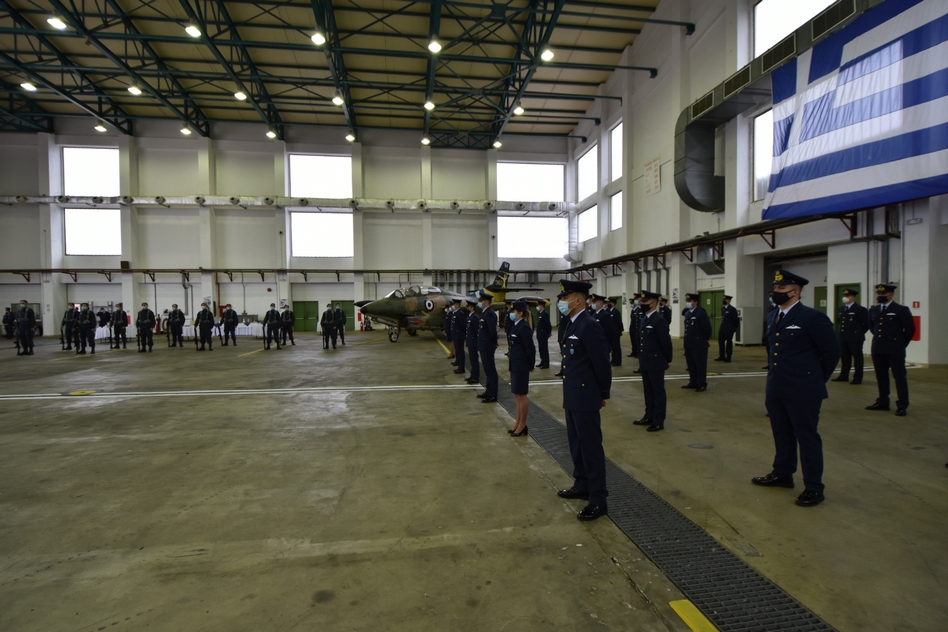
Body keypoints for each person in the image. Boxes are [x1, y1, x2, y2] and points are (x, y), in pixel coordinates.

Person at [752, 269, 840, 507]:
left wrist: (814, 380)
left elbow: (831, 353)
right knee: (781, 433)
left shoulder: (812, 317)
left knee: (807, 437)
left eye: (781, 288)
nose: (776, 292)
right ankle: (782, 473)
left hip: (803, 389)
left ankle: (814, 487)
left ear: (796, 291)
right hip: (777, 386)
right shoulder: (773, 316)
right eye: (775, 288)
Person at [554, 279, 612, 522]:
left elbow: (601, 362)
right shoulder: (572, 323)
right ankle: (582, 484)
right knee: (576, 443)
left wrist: (603, 392)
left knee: (590, 447)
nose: (562, 302)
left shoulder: (589, 325)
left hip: (586, 394)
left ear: (578, 300)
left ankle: (598, 499)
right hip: (573, 393)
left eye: (565, 298)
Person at [866, 283, 916, 416]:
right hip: (878, 348)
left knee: (899, 377)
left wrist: (900, 344)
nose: (881, 296)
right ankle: (883, 401)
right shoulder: (873, 310)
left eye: (884, 294)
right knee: (881, 377)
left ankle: (902, 405)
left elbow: (910, 329)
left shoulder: (900, 310)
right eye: (879, 294)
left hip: (895, 349)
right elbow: (872, 327)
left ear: (891, 294)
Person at [632, 291, 673, 432]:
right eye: (641, 302)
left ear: (653, 304)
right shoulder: (644, 318)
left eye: (644, 302)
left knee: (658, 392)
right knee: (648, 391)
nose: (641, 304)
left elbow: (666, 343)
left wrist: (668, 359)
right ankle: (648, 416)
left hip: (656, 361)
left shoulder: (659, 320)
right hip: (645, 361)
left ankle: (658, 420)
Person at [507, 301, 536, 436]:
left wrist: (531, 365)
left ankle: (523, 424)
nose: (512, 314)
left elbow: (530, 348)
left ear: (520, 313)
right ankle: (518, 421)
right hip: (515, 364)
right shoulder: (516, 326)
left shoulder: (524, 327)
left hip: (522, 365)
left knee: (522, 395)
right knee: (517, 394)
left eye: (514, 312)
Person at [833, 289, 869, 384]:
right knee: (845, 357)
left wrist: (858, 333)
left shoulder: (860, 309)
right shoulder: (841, 309)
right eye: (845, 295)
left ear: (853, 297)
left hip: (855, 338)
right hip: (843, 337)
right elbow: (841, 322)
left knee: (857, 358)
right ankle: (844, 375)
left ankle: (857, 378)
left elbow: (866, 324)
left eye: (848, 296)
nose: (846, 298)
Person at [682, 293, 712, 391]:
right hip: (689, 343)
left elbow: (707, 329)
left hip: (699, 344)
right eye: (687, 301)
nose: (688, 303)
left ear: (696, 302)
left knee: (700, 365)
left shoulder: (701, 313)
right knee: (691, 365)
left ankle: (702, 383)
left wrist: (702, 339)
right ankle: (693, 381)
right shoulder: (687, 313)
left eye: (690, 301)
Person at [476, 292, 499, 403]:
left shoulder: (489, 313)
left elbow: (492, 331)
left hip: (487, 345)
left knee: (490, 370)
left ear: (486, 301)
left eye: (482, 301)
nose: (481, 303)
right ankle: (488, 391)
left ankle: (493, 394)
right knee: (487, 370)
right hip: (484, 345)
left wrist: (494, 342)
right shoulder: (485, 313)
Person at [715, 295, 739, 362]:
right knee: (721, 341)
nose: (724, 301)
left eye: (726, 300)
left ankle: (728, 357)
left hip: (729, 328)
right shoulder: (723, 308)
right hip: (723, 327)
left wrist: (735, 328)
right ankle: (721, 355)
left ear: (729, 301)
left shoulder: (732, 309)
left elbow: (736, 320)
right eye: (724, 299)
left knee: (728, 343)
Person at [465, 299, 480, 384]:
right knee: (472, 359)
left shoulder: (474, 317)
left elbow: (476, 331)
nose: (468, 308)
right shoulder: (470, 316)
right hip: (470, 341)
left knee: (474, 360)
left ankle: (475, 377)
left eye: (469, 307)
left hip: (473, 342)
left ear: (472, 308)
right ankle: (472, 375)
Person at [606, 298, 624, 366]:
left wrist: (621, 330)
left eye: (610, 302)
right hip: (611, 332)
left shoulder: (616, 312)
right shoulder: (608, 311)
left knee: (616, 347)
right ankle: (613, 360)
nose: (608, 304)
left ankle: (618, 361)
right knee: (613, 348)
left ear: (613, 303)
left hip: (616, 332)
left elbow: (619, 322)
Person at [451, 298, 467, 375]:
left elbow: (463, 325)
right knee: (458, 351)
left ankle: (462, 367)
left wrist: (463, 334)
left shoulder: (460, 313)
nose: (454, 305)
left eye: (455, 304)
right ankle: (459, 365)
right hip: (456, 335)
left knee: (461, 352)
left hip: (459, 336)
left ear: (458, 305)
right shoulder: (455, 313)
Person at [535, 300, 552, 369]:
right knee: (541, 349)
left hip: (543, 334)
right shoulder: (541, 313)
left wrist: (549, 332)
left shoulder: (545, 314)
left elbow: (548, 324)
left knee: (544, 349)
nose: (538, 307)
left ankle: (546, 363)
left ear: (542, 306)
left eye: (538, 305)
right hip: (540, 334)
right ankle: (542, 361)